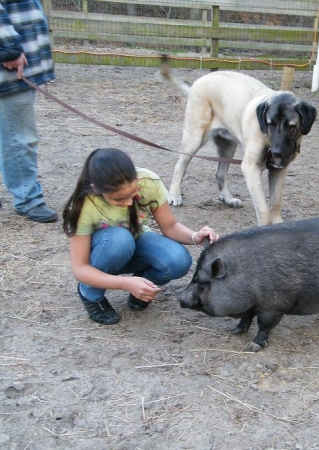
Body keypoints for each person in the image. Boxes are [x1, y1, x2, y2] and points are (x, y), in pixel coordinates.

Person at [62, 148, 219, 325]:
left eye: (133, 193)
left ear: (137, 178)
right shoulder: (82, 205)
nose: (128, 203)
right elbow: (80, 268)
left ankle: (143, 288)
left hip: (135, 242)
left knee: (178, 260)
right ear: (96, 190)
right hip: (105, 253)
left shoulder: (149, 181)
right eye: (118, 199)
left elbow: (170, 226)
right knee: (120, 240)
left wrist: (195, 236)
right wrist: (124, 283)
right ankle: (91, 294)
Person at [0, 0, 58, 222]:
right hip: (10, 73)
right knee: (19, 137)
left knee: (7, 134)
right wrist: (9, 49)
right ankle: (27, 198)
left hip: (14, 71)